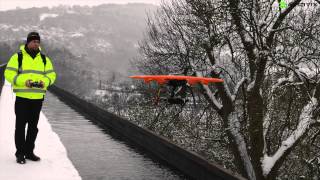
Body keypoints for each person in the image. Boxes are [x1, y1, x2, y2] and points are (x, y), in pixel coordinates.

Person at [4, 32, 56, 164]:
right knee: (21, 126)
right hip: (22, 97)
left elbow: (52, 75)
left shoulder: (44, 59)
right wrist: (24, 81)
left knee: (33, 127)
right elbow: (9, 73)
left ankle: (29, 152)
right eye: (33, 41)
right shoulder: (18, 57)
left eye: (38, 42)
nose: (36, 44)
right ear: (28, 42)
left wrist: (46, 81)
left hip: (38, 98)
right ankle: (20, 153)